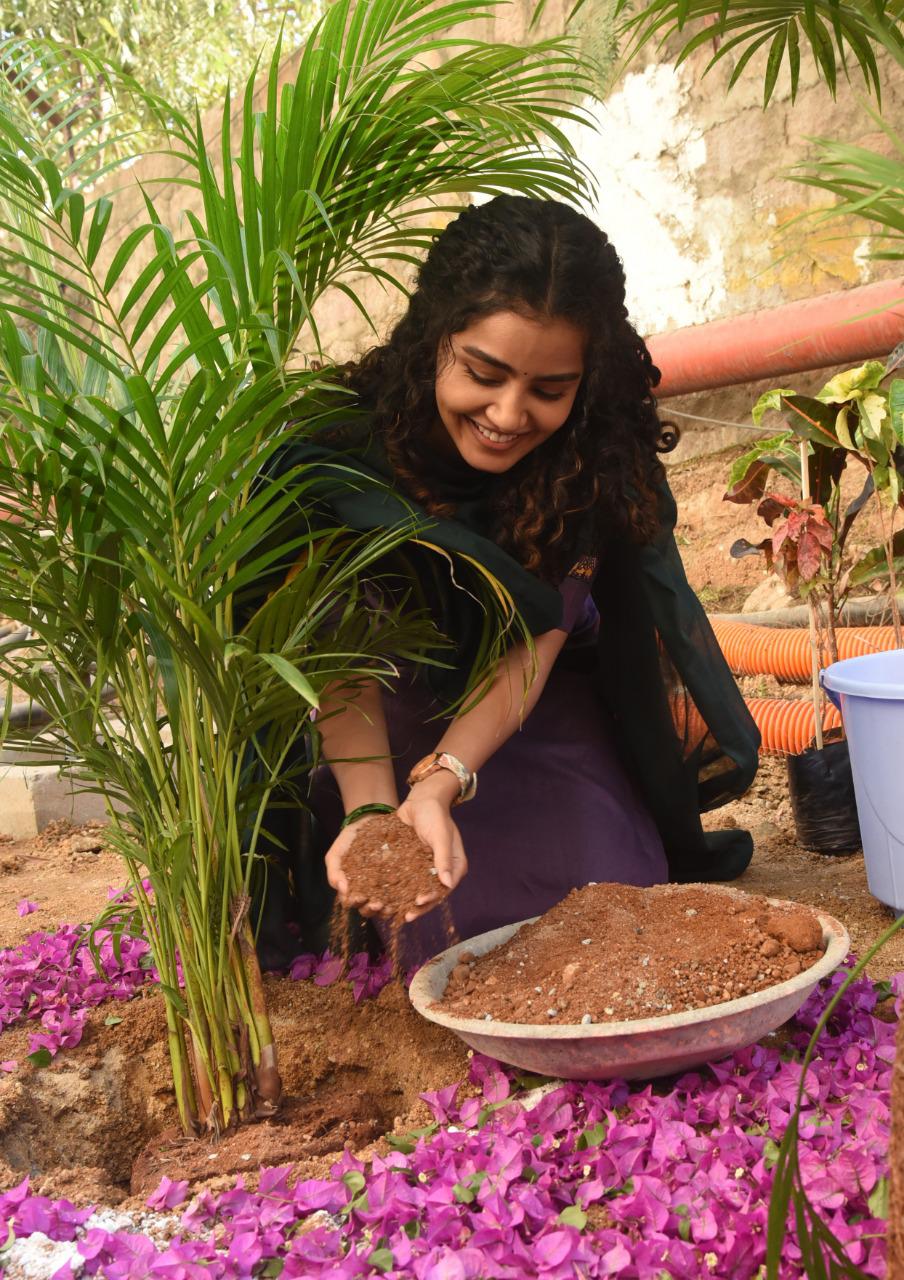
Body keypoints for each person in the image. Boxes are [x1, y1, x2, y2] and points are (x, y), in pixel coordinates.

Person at [253, 195, 760, 970]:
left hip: (527, 705)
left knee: (601, 904)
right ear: (435, 341)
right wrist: (379, 814)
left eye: (549, 390)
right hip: (379, 715)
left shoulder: (590, 455)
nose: (507, 413)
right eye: (483, 374)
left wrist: (447, 781)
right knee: (415, 930)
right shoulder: (336, 452)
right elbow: (337, 653)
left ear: (583, 383)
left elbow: (541, 636)